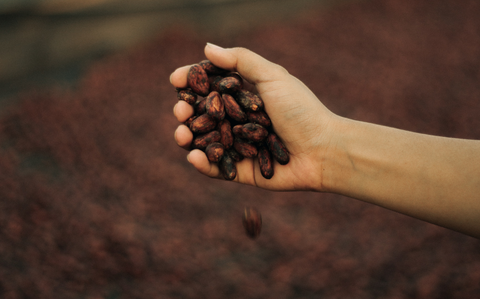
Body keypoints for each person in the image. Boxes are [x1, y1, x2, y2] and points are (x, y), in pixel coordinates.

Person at [171, 43, 480, 239]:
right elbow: (226, 118)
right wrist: (326, 146)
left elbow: (236, 120)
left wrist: (324, 145)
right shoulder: (226, 110)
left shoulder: (238, 114)